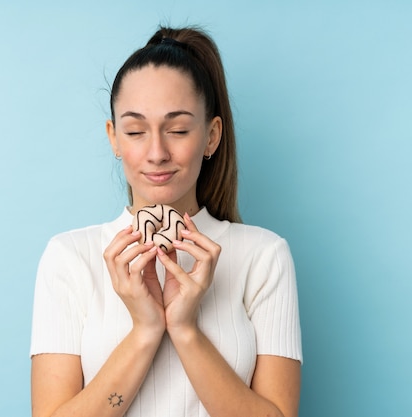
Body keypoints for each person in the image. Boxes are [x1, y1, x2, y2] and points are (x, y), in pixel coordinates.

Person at [30, 26, 302, 417]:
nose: (156, 152)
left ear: (211, 136)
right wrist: (145, 331)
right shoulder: (69, 257)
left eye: (177, 130)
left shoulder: (264, 255)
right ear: (114, 138)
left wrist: (186, 329)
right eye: (136, 131)